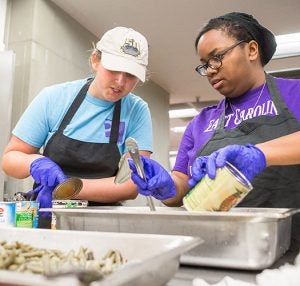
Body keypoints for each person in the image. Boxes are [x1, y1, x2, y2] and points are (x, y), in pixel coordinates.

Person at [128, 12, 300, 253]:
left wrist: (259, 154)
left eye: (216, 57)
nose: (209, 70)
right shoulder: (201, 122)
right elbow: (182, 185)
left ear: (251, 50)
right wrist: (167, 185)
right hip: (220, 250)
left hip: (291, 248)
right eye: (204, 64)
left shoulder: (295, 93)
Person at [1, 26, 153, 217]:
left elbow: (132, 185)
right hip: (48, 212)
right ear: (95, 60)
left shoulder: (137, 111)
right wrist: (35, 162)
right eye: (114, 69)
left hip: (106, 218)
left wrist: (64, 187)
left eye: (130, 75)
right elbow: (10, 159)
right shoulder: (53, 98)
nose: (120, 82)